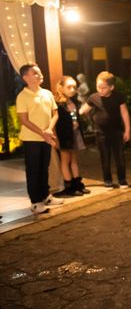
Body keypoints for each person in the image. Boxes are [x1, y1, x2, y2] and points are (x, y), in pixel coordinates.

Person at [16, 63, 64, 214]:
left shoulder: (47, 93)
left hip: (45, 137)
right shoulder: (22, 96)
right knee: (33, 170)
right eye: (35, 73)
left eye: (39, 72)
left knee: (44, 168)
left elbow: (55, 113)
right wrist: (42, 132)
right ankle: (35, 202)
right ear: (26, 78)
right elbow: (24, 120)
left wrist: (49, 129)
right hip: (31, 139)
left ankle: (45, 196)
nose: (40, 75)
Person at [80, 71, 131, 188]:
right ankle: (107, 180)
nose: (100, 90)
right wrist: (83, 113)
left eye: (104, 88)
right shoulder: (93, 97)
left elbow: (124, 112)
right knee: (105, 157)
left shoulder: (118, 97)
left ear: (111, 87)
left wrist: (127, 130)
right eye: (98, 87)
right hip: (100, 133)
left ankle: (122, 179)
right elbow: (83, 111)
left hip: (116, 131)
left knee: (119, 157)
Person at [53, 76, 90, 197]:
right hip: (65, 136)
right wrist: (56, 138)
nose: (72, 89)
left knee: (74, 159)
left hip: (75, 134)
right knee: (65, 160)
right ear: (61, 88)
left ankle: (77, 184)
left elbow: (75, 116)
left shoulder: (73, 102)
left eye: (74, 87)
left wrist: (77, 122)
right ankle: (69, 186)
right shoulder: (58, 104)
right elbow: (57, 123)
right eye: (69, 87)